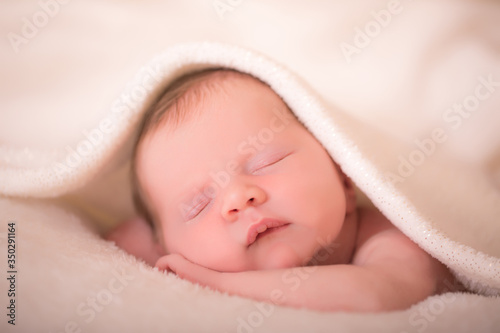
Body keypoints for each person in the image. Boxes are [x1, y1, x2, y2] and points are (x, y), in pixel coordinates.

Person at [107, 68, 460, 312]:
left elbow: (375, 298)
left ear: (343, 175)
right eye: (198, 205)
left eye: (265, 163)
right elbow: (125, 237)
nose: (237, 197)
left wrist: (215, 282)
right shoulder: (166, 247)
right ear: (165, 248)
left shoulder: (388, 237)